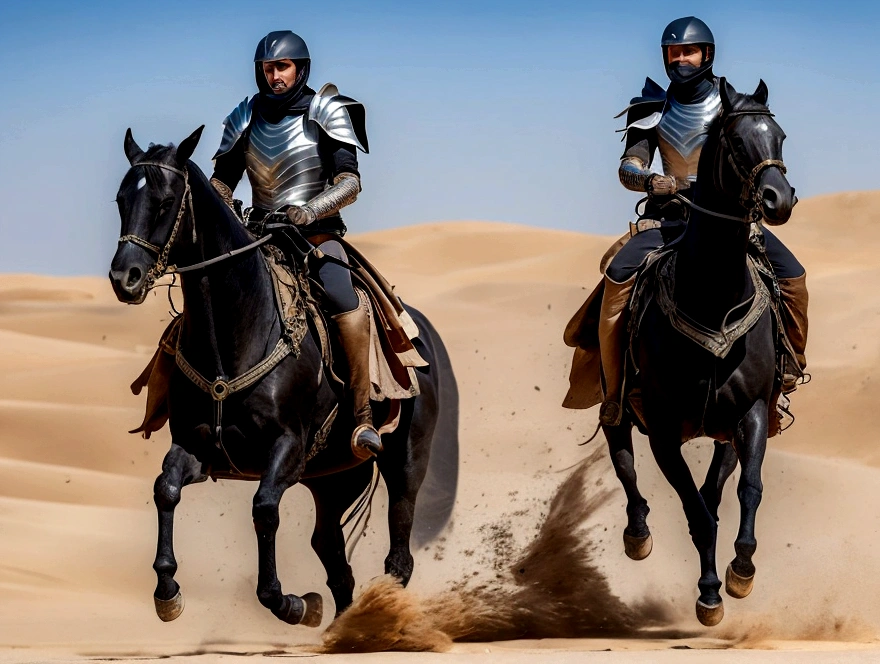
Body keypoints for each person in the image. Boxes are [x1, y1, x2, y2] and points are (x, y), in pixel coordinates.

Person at [597, 16, 809, 427]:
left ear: (706, 54)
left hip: (732, 222)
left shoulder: (733, 105)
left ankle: (788, 365)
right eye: (673, 53)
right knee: (618, 277)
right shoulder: (651, 108)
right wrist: (650, 180)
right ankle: (615, 390)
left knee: (794, 278)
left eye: (688, 52)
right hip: (669, 220)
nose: (681, 60)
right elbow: (628, 168)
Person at [209, 30, 381, 456]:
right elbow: (222, 181)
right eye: (267, 69)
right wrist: (223, 209)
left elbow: (350, 181)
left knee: (348, 305)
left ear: (300, 68)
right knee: (205, 303)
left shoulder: (328, 110)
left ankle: (361, 419)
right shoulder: (244, 116)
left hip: (316, 237)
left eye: (281, 67)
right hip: (259, 238)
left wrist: (311, 210)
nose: (274, 77)